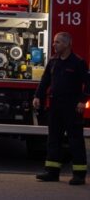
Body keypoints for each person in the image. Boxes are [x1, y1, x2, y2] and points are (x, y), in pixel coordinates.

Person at [33, 32, 89, 185]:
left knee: (75, 140)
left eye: (57, 42)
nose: (54, 45)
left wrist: (83, 101)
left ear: (67, 44)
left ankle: (79, 174)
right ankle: (52, 172)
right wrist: (38, 96)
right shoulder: (53, 61)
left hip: (72, 107)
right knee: (53, 139)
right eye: (54, 42)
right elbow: (45, 80)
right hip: (55, 105)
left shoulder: (78, 62)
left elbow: (88, 84)